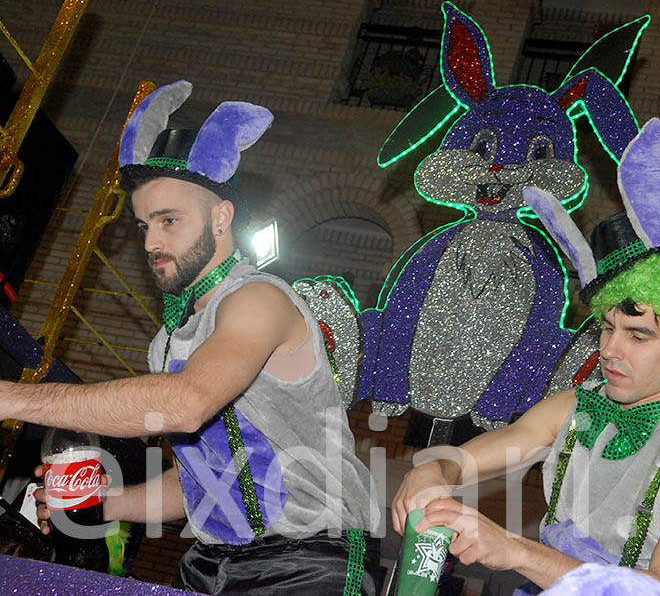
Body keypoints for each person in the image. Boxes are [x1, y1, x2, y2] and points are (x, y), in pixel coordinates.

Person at [3, 80, 380, 595]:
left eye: (169, 220)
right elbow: (201, 482)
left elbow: (185, 405)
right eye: (142, 226)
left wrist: (11, 397)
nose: (152, 241)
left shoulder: (258, 300)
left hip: (308, 559)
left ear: (221, 216)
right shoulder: (169, 342)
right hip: (208, 562)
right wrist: (102, 502)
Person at [391, 119, 660, 596]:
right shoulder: (575, 406)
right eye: (606, 328)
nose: (609, 349)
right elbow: (464, 460)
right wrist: (430, 470)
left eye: (638, 336)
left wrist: (518, 550)